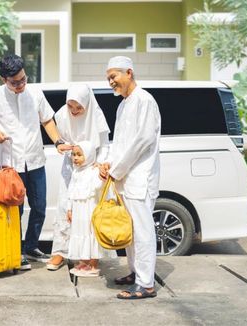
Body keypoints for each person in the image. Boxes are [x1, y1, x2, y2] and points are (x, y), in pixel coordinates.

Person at [0, 54, 64, 270]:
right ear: (3, 79)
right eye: (15, 82)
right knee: (15, 210)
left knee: (40, 206)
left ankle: (31, 246)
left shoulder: (34, 93)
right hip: (9, 163)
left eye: (23, 79)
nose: (21, 84)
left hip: (35, 160)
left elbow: (47, 120)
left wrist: (58, 141)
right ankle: (15, 250)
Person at [100, 56, 161, 299]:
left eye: (113, 77)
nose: (111, 82)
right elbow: (120, 143)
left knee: (144, 232)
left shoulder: (144, 100)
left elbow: (143, 141)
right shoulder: (124, 104)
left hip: (140, 177)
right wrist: (109, 163)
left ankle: (146, 284)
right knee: (131, 231)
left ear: (129, 73)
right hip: (125, 177)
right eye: (108, 79)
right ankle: (136, 273)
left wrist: (117, 170)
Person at [46, 84, 111, 271]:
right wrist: (62, 146)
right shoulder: (61, 115)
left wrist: (100, 163)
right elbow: (61, 139)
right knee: (65, 207)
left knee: (89, 212)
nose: (74, 111)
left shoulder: (96, 115)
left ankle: (89, 256)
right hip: (72, 164)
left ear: (87, 105)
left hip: (92, 167)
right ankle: (60, 252)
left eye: (79, 107)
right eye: (70, 106)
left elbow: (104, 144)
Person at [66, 141, 116, 277]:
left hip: (90, 209)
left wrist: (102, 177)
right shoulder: (76, 172)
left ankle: (93, 264)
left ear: (88, 155)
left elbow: (98, 186)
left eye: (79, 155)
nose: (75, 158)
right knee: (80, 232)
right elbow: (71, 191)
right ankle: (84, 261)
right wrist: (69, 209)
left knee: (90, 233)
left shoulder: (94, 170)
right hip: (78, 210)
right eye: (73, 155)